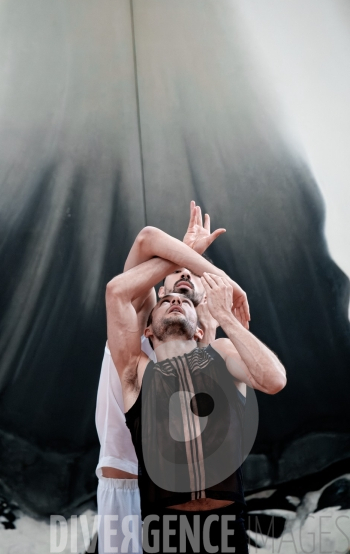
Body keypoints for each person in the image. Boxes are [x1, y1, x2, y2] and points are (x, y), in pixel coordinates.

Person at [106, 225, 286, 553]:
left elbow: (274, 380)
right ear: (146, 329)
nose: (175, 298)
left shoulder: (221, 354)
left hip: (228, 528)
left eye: (183, 300)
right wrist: (205, 265)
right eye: (165, 299)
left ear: (201, 327)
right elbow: (118, 289)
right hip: (164, 533)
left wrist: (227, 319)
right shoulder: (136, 370)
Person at [95, 203, 229, 554]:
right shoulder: (138, 320)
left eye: (192, 276)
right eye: (175, 270)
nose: (185, 275)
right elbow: (146, 241)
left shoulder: (203, 343)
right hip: (125, 490)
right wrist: (190, 254)